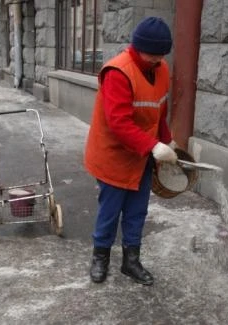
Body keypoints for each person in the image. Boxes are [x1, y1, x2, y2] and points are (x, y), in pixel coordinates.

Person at [84, 16, 178, 286]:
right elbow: (118, 123)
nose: (156, 59)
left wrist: (167, 141)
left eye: (160, 55)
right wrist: (153, 146)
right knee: (110, 211)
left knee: (138, 211)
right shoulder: (118, 72)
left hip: (141, 156)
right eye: (151, 54)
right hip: (113, 155)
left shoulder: (160, 68)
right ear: (137, 47)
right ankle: (100, 257)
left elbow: (159, 110)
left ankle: (131, 261)